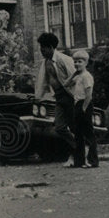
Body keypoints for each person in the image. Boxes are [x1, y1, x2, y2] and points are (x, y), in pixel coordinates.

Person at [34, 32, 76, 161]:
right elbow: (42, 82)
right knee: (60, 127)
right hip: (58, 98)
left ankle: (77, 153)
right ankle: (78, 147)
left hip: (70, 96)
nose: (41, 51)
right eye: (40, 48)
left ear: (51, 47)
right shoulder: (45, 63)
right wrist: (38, 97)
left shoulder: (64, 60)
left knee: (74, 126)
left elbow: (75, 77)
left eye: (43, 48)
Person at [64, 49, 98, 169]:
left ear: (86, 63)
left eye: (80, 61)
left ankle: (93, 161)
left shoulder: (87, 76)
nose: (77, 64)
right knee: (78, 134)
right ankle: (79, 161)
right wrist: (74, 74)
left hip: (85, 104)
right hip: (77, 104)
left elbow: (89, 94)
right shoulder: (78, 76)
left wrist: (84, 108)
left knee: (88, 133)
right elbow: (66, 84)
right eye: (75, 61)